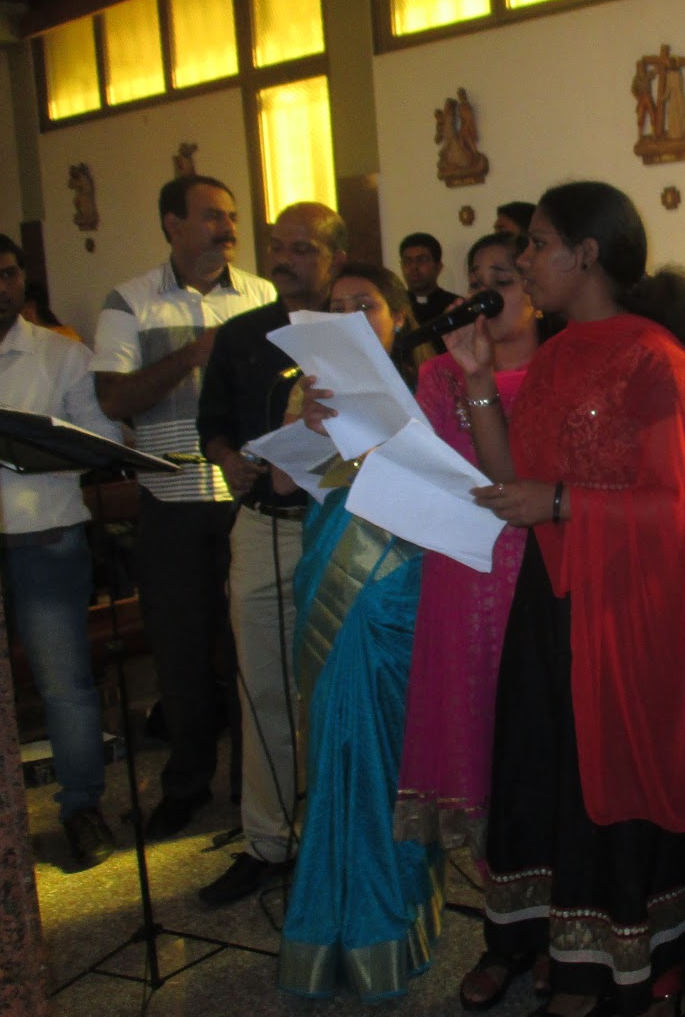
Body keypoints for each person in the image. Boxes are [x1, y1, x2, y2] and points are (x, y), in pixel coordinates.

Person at [448, 181, 685, 1017]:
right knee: (548, 774)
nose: (525, 261)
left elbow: (677, 509)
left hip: (628, 613)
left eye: (538, 244)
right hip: (554, 599)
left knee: (608, 783)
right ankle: (563, 953)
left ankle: (624, 968)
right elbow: (512, 480)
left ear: (587, 254)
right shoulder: (555, 355)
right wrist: (478, 381)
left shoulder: (657, 361)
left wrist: (558, 502)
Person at [275, 264, 445, 1000]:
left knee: (387, 756)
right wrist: (305, 428)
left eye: (365, 304)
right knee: (336, 753)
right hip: (329, 577)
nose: (348, 316)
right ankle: (332, 927)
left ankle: (390, 921)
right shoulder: (309, 392)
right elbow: (282, 484)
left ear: (397, 317)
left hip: (396, 585)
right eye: (336, 306)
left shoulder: (434, 385)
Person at [92, 174, 276, 840]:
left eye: (231, 218)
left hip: (247, 499)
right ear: (172, 223)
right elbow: (113, 400)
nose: (228, 230)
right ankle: (186, 785)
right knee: (181, 655)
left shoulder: (262, 296)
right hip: (170, 505)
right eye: (211, 217)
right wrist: (193, 355)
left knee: (251, 654)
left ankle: (255, 792)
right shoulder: (129, 302)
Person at [193, 201, 348, 905]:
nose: (284, 259)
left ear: (335, 256)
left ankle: (340, 837)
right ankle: (268, 841)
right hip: (263, 525)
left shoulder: (356, 331)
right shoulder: (241, 335)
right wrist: (229, 459)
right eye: (277, 246)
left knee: (336, 691)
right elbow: (213, 426)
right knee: (262, 691)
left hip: (339, 530)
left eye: (302, 248)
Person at [0, 229, 125, 868]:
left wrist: (33, 447)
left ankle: (82, 808)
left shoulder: (61, 355)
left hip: (46, 539)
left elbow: (104, 439)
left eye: (9, 274)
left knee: (65, 685)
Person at [398, 232, 543, 854]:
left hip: (534, 562)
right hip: (460, 564)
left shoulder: (558, 372)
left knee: (528, 709)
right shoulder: (439, 373)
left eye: (502, 281)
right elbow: (416, 462)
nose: (486, 295)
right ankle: (496, 875)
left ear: (536, 292)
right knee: (471, 707)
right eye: (476, 282)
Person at [399, 232, 461, 332]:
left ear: (438, 267)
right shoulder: (395, 307)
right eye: (408, 261)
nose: (414, 267)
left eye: (422, 260)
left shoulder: (456, 306)